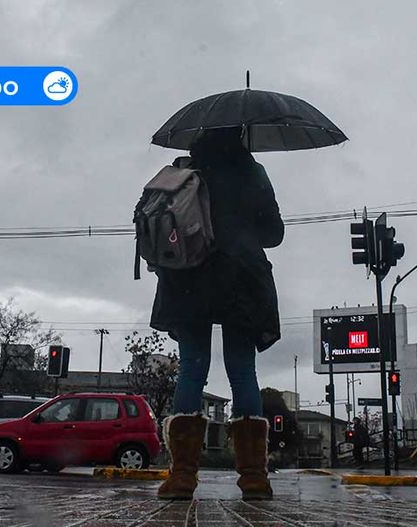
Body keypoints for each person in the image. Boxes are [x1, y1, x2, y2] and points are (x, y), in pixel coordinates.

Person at [150, 128, 284, 501]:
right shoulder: (252, 172)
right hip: (241, 280)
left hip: (187, 280)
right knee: (243, 371)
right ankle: (254, 478)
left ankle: (182, 479)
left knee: (192, 368)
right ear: (240, 134)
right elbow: (274, 234)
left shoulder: (185, 172)